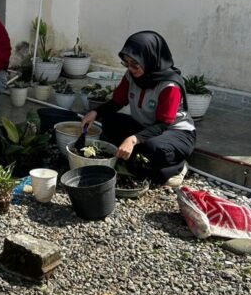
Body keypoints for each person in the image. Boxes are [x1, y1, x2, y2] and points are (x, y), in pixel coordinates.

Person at [79, 30, 196, 187]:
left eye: (135, 64)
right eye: (126, 63)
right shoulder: (131, 76)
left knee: (152, 150)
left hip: (175, 132)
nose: (131, 69)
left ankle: (179, 165)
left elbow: (163, 124)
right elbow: (117, 102)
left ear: (150, 59)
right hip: (146, 127)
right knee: (110, 120)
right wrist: (95, 112)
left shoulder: (170, 85)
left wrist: (133, 139)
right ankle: (140, 159)